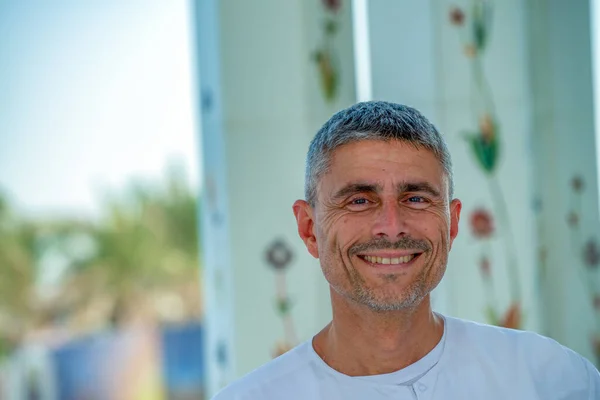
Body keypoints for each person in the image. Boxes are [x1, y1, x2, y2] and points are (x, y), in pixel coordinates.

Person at [212, 101, 600, 399]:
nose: (392, 228)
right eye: (359, 201)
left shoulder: (549, 379)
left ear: (451, 223)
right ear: (309, 229)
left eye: (415, 199)